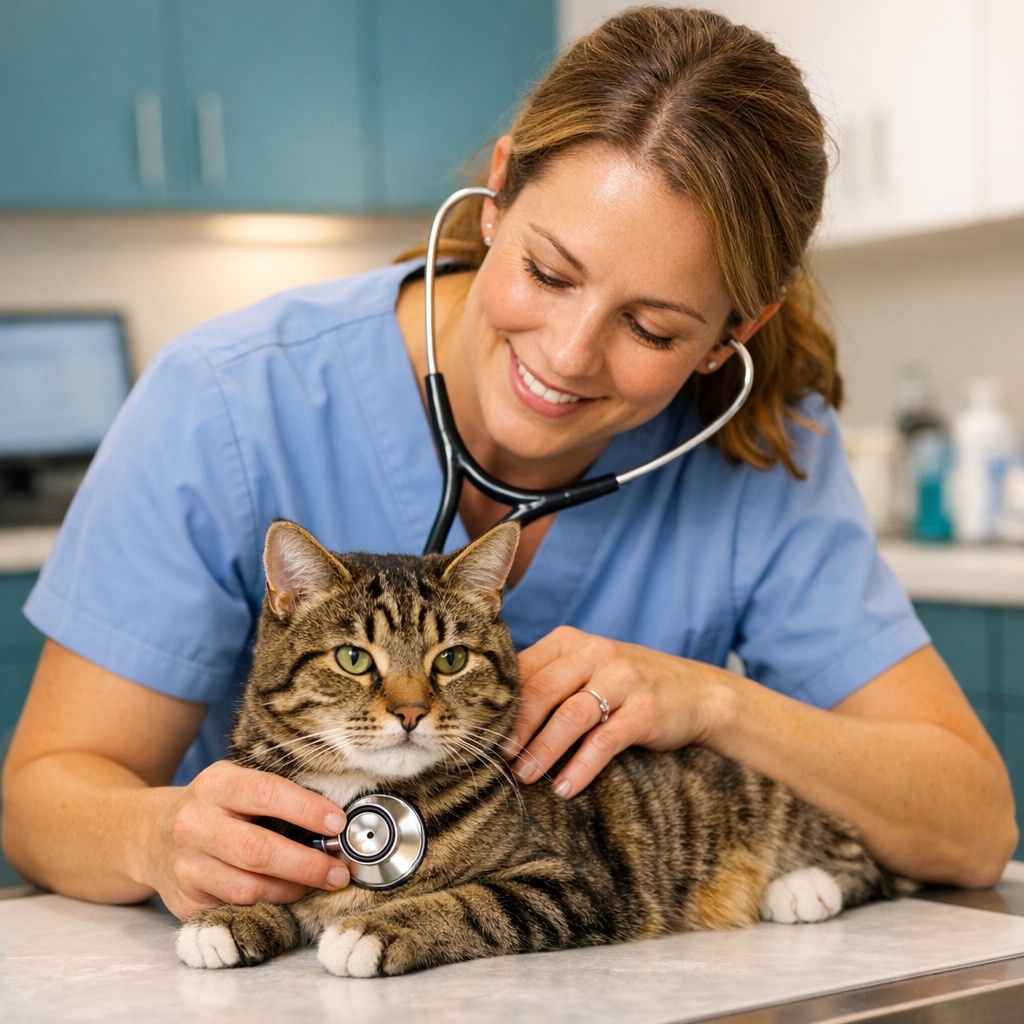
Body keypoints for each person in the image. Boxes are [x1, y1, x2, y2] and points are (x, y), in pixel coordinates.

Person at [1, 7, 1016, 921]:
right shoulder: (226, 402)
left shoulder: (764, 454)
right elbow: (45, 793)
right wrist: (157, 836)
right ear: (494, 197)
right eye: (546, 270)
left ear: (728, 335)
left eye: (652, 328)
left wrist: (718, 701)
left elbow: (970, 825)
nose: (568, 356)